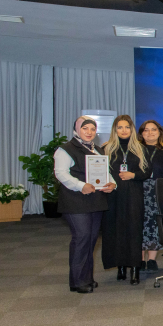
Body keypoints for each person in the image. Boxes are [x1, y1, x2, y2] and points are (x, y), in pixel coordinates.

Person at [54, 116, 116, 293]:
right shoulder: (65, 149)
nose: (89, 132)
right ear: (77, 129)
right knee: (82, 238)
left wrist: (112, 183)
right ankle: (78, 281)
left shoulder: (97, 149)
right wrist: (80, 185)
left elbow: (105, 172)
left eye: (92, 129)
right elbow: (61, 173)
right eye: (85, 128)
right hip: (75, 201)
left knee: (90, 240)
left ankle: (86, 278)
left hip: (95, 201)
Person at [101, 115, 151, 285]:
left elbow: (147, 172)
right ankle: (120, 266)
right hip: (112, 195)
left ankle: (135, 269)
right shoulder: (106, 149)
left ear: (132, 129)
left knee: (133, 232)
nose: (124, 130)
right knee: (114, 231)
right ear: (115, 130)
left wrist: (133, 175)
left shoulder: (141, 148)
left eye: (127, 127)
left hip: (133, 195)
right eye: (120, 127)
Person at [138, 120, 163, 275]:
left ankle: (151, 259)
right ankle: (139, 258)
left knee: (154, 224)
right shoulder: (135, 149)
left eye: (153, 130)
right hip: (138, 189)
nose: (150, 133)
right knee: (139, 223)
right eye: (146, 130)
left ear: (159, 132)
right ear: (141, 133)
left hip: (158, 190)